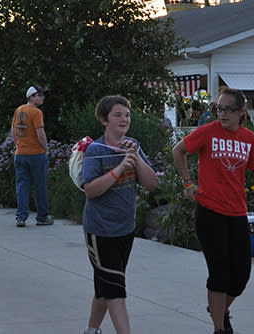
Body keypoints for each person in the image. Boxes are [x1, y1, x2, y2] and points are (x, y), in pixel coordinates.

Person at [172, 87, 254, 334]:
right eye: (218, 108)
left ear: (241, 112)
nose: (222, 114)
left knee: (241, 276)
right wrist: (188, 182)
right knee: (220, 273)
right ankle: (219, 329)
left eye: (227, 109)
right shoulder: (207, 132)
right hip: (210, 213)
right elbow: (178, 150)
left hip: (236, 214)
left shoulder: (249, 138)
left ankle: (220, 310)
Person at [80, 96, 158, 334]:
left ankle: (91, 330)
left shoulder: (132, 145)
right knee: (115, 290)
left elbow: (151, 183)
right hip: (100, 231)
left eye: (127, 115)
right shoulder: (96, 150)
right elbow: (91, 190)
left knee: (105, 287)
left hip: (125, 229)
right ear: (104, 120)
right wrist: (120, 169)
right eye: (117, 115)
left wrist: (135, 158)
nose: (124, 119)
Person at [11, 85, 52, 227]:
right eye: (38, 95)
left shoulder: (19, 110)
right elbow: (40, 133)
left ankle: (21, 217)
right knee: (40, 185)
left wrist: (18, 145)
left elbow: (13, 130)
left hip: (20, 154)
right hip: (36, 154)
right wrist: (45, 149)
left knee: (22, 186)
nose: (41, 98)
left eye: (42, 95)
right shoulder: (36, 112)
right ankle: (42, 217)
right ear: (31, 97)